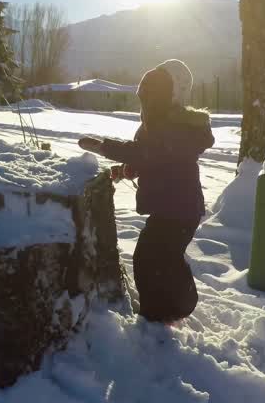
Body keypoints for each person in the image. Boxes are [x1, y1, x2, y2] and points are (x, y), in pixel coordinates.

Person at [78, 59, 213, 324]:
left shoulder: (179, 127)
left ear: (170, 95)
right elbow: (154, 158)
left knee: (152, 259)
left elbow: (148, 151)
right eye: (146, 97)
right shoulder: (160, 125)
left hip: (179, 209)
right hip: (172, 208)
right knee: (159, 258)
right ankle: (165, 310)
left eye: (153, 96)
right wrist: (127, 170)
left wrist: (106, 147)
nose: (147, 103)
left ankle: (163, 313)